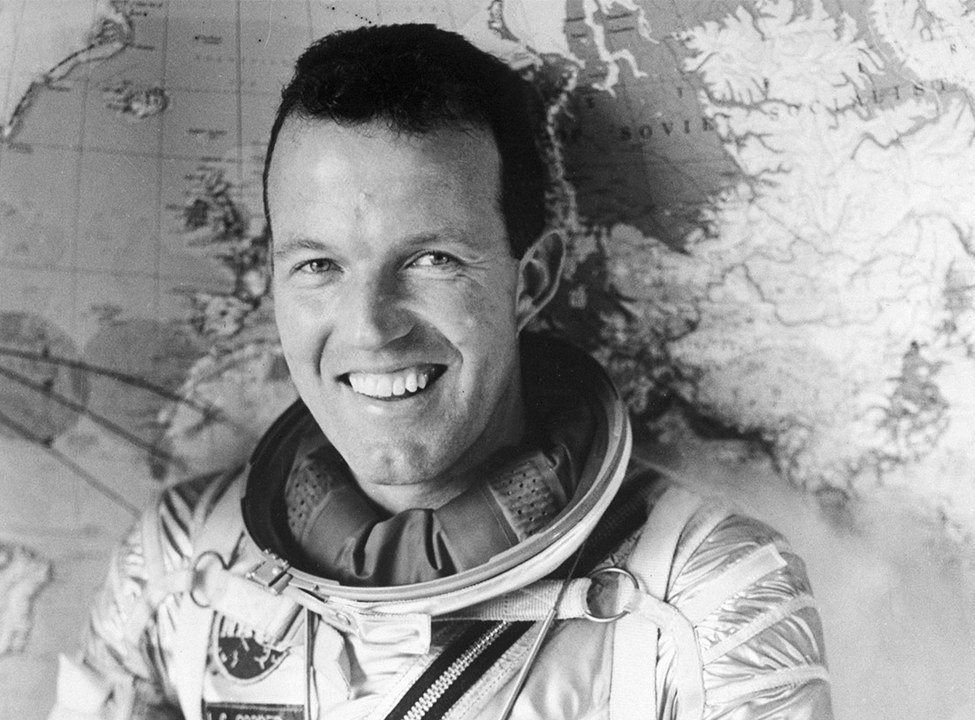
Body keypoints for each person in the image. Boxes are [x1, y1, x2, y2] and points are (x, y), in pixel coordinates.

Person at [49, 24, 833, 720]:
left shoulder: (707, 602)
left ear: (530, 280)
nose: (371, 328)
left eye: (430, 260)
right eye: (319, 265)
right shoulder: (180, 569)